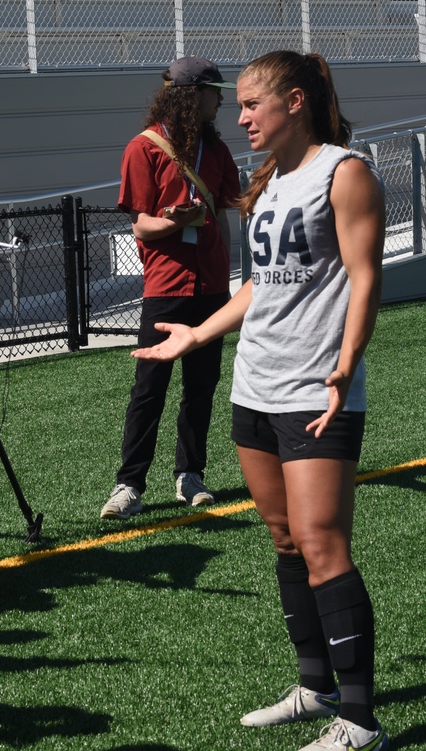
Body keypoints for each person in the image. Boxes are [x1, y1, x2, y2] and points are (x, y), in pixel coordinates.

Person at [132, 50, 388, 751]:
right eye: (238, 104)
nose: (240, 116)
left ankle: (361, 720)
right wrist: (196, 334)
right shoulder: (270, 179)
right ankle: (316, 685)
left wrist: (345, 367)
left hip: (315, 389)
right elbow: (261, 286)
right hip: (257, 385)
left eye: (252, 103)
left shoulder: (346, 171)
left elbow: (365, 278)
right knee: (282, 539)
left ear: (296, 101)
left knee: (323, 546)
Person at [101, 55, 241, 521]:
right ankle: (129, 485)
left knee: (202, 386)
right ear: (190, 95)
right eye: (214, 91)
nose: (221, 98)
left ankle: (190, 475)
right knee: (149, 388)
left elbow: (230, 204)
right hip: (166, 286)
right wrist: (173, 220)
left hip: (212, 284)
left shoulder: (217, 151)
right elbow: (141, 226)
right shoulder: (143, 149)